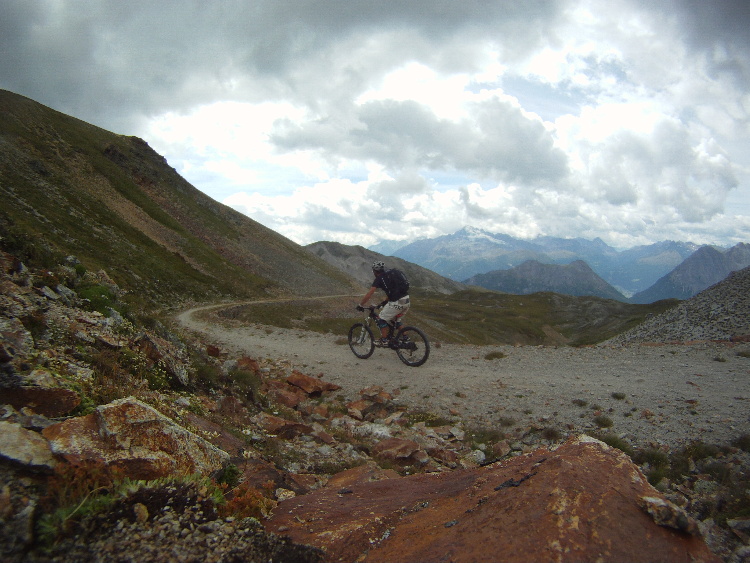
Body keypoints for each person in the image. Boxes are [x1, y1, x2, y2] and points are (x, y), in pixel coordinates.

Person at [357, 261, 410, 346]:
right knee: (395, 320)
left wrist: (360, 305)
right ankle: (405, 338)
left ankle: (384, 340)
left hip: (397, 302)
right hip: (406, 300)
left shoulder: (379, 279)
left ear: (375, 271)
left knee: (381, 319)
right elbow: (392, 291)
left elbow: (370, 293)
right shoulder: (390, 275)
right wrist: (384, 302)